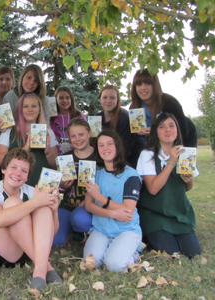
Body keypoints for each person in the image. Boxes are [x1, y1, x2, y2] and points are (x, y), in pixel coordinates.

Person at [0, 148, 62, 291]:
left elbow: (52, 232)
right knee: (12, 203)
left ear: (27, 177)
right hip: (3, 251)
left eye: (24, 171)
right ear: (4, 170)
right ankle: (45, 267)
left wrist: (54, 211)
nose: (18, 173)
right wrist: (34, 203)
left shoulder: (31, 191)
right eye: (13, 167)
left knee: (44, 208)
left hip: (26, 252)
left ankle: (39, 269)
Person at [136, 113, 201, 258]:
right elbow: (153, 189)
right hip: (155, 213)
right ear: (156, 132)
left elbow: (187, 188)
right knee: (170, 252)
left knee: (193, 253)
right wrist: (171, 162)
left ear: (177, 130)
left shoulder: (185, 154)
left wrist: (188, 180)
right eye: (162, 126)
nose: (168, 130)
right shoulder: (147, 154)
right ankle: (147, 236)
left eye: (172, 125)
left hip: (177, 212)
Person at [83, 130, 142, 272]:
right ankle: (112, 248)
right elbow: (89, 205)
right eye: (101, 145)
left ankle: (135, 251)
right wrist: (113, 214)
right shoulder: (94, 173)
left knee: (114, 265)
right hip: (101, 229)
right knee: (91, 263)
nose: (106, 148)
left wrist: (100, 198)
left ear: (118, 146)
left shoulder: (131, 175)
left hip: (126, 229)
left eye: (110, 144)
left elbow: (127, 210)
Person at [0, 93, 58, 186]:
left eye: (34, 106)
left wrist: (48, 153)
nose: (30, 109)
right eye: (25, 106)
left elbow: (55, 165)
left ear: (39, 109)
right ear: (20, 110)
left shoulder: (48, 132)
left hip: (41, 187)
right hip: (15, 187)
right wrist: (24, 150)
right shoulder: (8, 132)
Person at [52, 118, 94, 247]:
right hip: (67, 205)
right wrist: (62, 186)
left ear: (89, 133)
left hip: (88, 206)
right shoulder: (65, 158)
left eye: (81, 134)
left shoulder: (99, 156)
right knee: (56, 242)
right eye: (73, 136)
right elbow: (60, 189)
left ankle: (84, 229)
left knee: (81, 220)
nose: (77, 139)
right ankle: (71, 229)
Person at [130, 68, 197, 147]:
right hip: (158, 144)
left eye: (148, 83)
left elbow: (183, 132)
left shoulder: (170, 103)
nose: (143, 88)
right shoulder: (134, 108)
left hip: (185, 136)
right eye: (139, 84)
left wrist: (156, 132)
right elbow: (137, 139)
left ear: (155, 85)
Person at [96, 85, 146, 168]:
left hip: (133, 157)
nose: (108, 101)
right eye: (105, 97)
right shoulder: (97, 118)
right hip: (112, 157)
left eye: (112, 98)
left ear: (117, 100)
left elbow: (126, 147)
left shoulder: (124, 117)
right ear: (100, 99)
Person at [50, 87, 86, 154]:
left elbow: (86, 135)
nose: (65, 100)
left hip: (77, 153)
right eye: (61, 98)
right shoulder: (52, 118)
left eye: (67, 97)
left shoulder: (79, 116)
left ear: (71, 99)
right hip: (56, 154)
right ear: (56, 100)